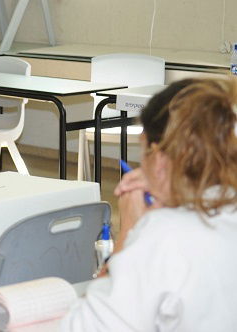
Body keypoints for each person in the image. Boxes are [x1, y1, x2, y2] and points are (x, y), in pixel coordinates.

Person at [61, 78, 237, 331]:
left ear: (160, 159)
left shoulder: (164, 236)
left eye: (144, 152)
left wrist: (129, 230)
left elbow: (85, 327)